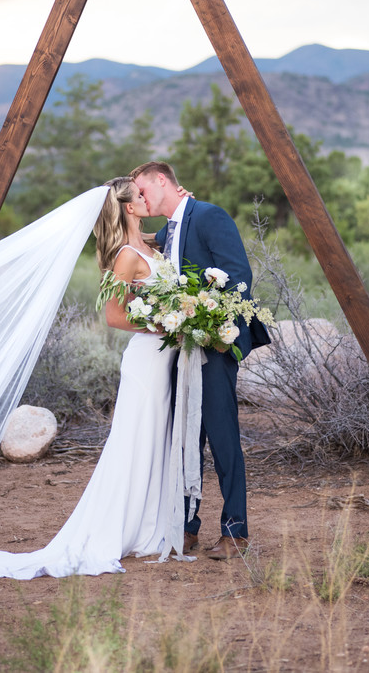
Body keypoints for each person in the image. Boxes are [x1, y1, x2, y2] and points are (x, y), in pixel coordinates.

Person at [0, 177, 183, 579]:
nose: (146, 197)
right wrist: (167, 325)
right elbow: (115, 316)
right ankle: (120, 530)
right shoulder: (125, 256)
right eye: (140, 195)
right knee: (134, 440)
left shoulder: (149, 245)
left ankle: (150, 528)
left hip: (163, 359)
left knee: (155, 439)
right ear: (129, 208)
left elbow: (176, 232)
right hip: (146, 359)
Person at [131, 161, 270, 560]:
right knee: (185, 438)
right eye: (136, 195)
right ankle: (186, 528)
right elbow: (146, 241)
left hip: (213, 346)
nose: (142, 198)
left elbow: (238, 276)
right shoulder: (167, 229)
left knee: (222, 437)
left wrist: (220, 335)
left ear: (162, 180)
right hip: (178, 348)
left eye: (143, 190)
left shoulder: (209, 215)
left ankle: (235, 532)